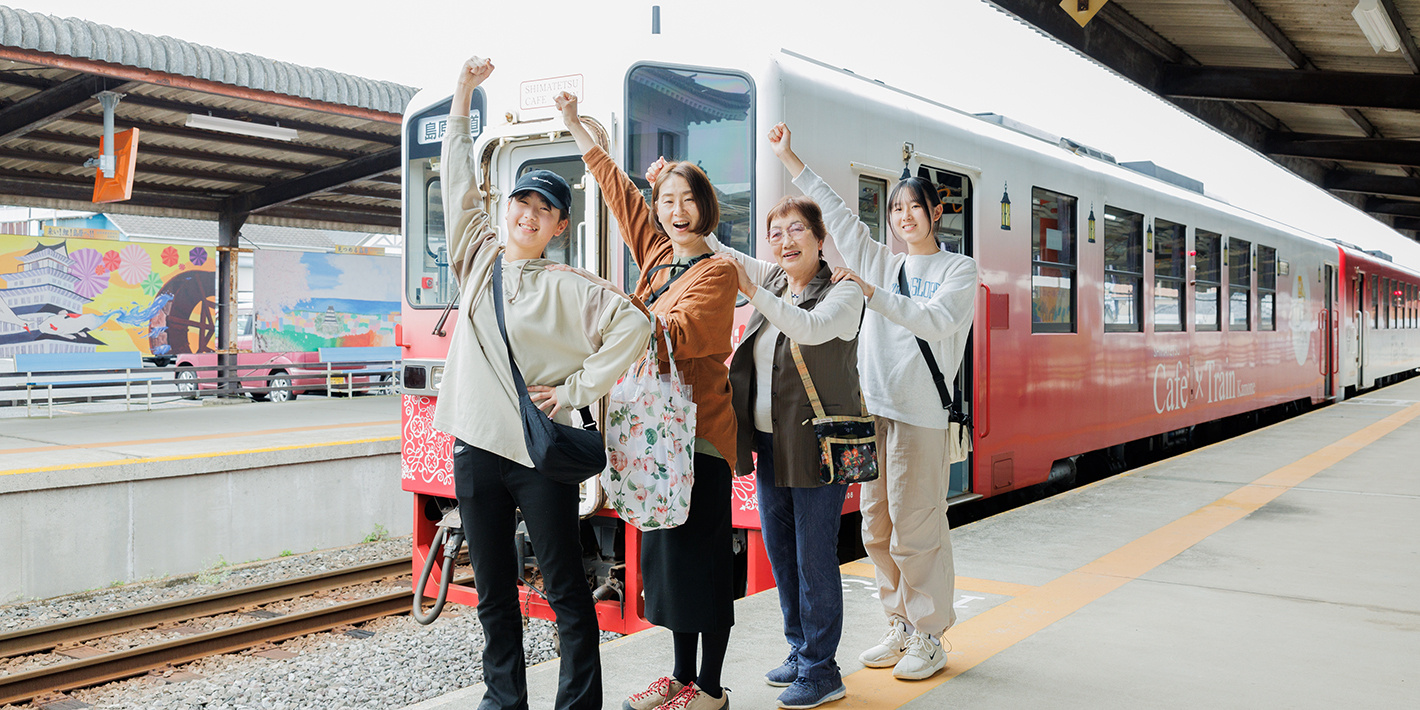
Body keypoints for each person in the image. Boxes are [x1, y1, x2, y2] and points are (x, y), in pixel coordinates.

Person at [432, 57, 652, 710]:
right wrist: (463, 95)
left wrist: (578, 389)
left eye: (544, 208)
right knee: (495, 591)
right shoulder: (476, 260)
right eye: (521, 202)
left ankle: (577, 703)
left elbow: (635, 328)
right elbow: (455, 182)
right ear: (507, 209)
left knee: (564, 590)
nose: (528, 213)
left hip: (539, 456)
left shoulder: (571, 287)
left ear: (560, 226)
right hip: (475, 446)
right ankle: (504, 701)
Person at [768, 122, 978, 681]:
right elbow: (836, 214)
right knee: (876, 527)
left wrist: (874, 295)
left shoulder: (958, 270)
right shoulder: (882, 260)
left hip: (920, 416)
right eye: (896, 209)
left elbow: (936, 323)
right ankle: (900, 623)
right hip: (873, 411)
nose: (904, 217)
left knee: (918, 527)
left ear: (936, 213)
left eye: (915, 207)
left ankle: (931, 634)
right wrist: (792, 158)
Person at [556, 91, 740, 710]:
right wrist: (577, 130)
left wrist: (615, 309)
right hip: (657, 443)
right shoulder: (658, 256)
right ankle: (681, 680)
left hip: (703, 441)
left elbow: (681, 334)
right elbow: (617, 194)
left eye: (688, 200)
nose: (676, 210)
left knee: (703, 566)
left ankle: (710, 689)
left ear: (706, 207)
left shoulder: (717, 272)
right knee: (669, 565)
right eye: (667, 200)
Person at [704, 186, 864, 708]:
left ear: (820, 240)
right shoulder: (773, 278)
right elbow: (722, 252)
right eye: (776, 232)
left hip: (816, 446)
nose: (784, 240)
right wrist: (672, 197)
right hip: (770, 443)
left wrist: (756, 292)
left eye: (798, 229)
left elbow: (808, 329)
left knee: (815, 557)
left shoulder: (842, 293)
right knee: (781, 553)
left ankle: (823, 669)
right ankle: (801, 650)